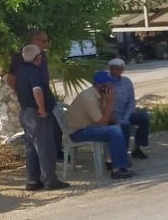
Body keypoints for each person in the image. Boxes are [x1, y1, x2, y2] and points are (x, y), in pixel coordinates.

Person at [64, 71, 133, 179]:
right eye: (110, 85)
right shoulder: (89, 97)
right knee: (114, 131)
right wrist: (110, 103)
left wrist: (116, 121)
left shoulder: (100, 95)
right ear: (102, 86)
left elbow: (108, 117)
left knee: (123, 125)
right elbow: (102, 123)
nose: (113, 88)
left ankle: (119, 160)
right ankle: (117, 169)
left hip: (90, 126)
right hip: (78, 131)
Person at [16, 44, 67, 191]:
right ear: (36, 57)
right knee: (46, 147)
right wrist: (42, 109)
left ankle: (33, 181)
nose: (41, 58)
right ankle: (50, 181)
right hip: (37, 113)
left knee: (31, 148)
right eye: (40, 55)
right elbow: (37, 91)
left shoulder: (21, 71)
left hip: (26, 113)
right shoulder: (34, 71)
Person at [7, 28, 62, 158]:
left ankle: (55, 155)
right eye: (44, 41)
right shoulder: (21, 57)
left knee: (55, 131)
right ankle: (47, 164)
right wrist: (24, 93)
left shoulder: (42, 55)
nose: (46, 44)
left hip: (46, 101)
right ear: (34, 40)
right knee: (38, 140)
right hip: (33, 105)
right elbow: (11, 80)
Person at [107, 58, 150, 159]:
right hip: (111, 116)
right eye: (115, 69)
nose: (118, 71)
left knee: (143, 117)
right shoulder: (106, 83)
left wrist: (126, 117)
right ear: (111, 70)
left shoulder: (127, 81)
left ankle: (138, 148)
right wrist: (117, 119)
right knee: (125, 125)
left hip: (125, 113)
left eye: (120, 69)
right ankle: (122, 154)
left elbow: (131, 101)